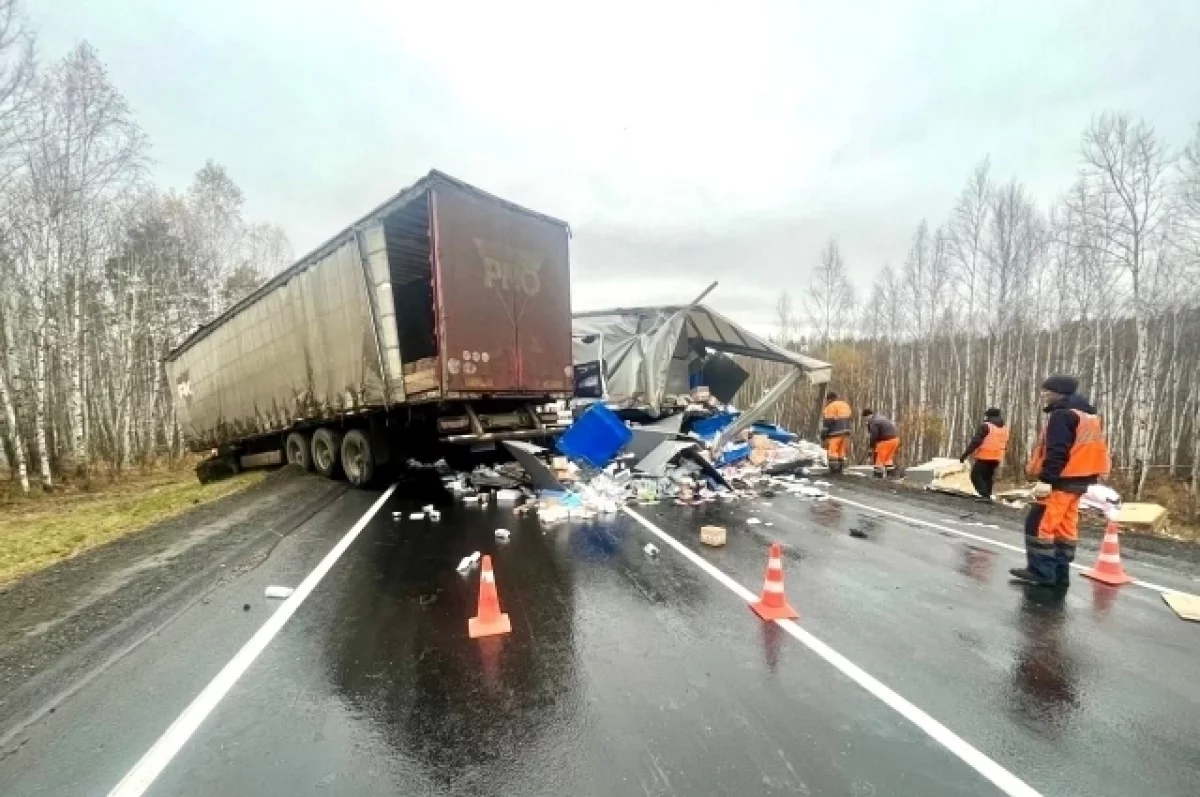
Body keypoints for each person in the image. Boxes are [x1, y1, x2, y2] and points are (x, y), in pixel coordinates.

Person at [1009, 375, 1111, 589]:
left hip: (1061, 480)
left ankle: (1041, 572)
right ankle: (1060, 572)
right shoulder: (1087, 416)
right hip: (1081, 480)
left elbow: (1058, 450)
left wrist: (1046, 479)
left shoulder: (1062, 415)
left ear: (1059, 393)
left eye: (1047, 391)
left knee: (1039, 525)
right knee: (1065, 527)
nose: (1043, 395)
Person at [960, 407, 1009, 501]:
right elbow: (1005, 443)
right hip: (997, 457)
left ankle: (984, 495)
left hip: (985, 455)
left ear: (988, 415)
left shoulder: (986, 426)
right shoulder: (1005, 428)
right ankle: (987, 495)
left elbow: (975, 442)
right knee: (987, 476)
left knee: (975, 475)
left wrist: (965, 455)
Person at [861, 409, 899, 478]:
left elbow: (874, 436)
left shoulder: (873, 422)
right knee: (888, 459)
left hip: (885, 441)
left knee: (879, 459)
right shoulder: (881, 417)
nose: (866, 420)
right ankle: (891, 476)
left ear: (868, 416)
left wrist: (871, 447)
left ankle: (877, 477)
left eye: (865, 418)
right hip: (895, 440)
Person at [820, 392, 852, 474]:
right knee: (841, 452)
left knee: (832, 452)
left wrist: (824, 434)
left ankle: (834, 472)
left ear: (829, 399)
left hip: (835, 433)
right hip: (846, 432)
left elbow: (828, 421)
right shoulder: (845, 405)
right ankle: (840, 470)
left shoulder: (830, 407)